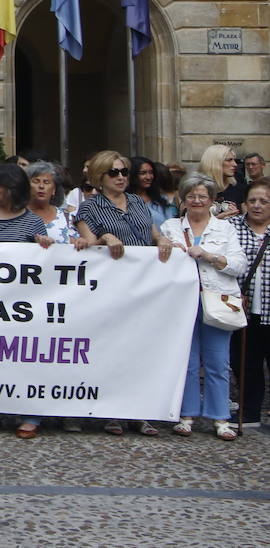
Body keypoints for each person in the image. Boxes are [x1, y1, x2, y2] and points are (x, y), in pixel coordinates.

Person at [73, 150, 172, 436]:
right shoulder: (90, 207)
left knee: (141, 350)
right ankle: (113, 411)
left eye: (124, 172)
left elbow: (151, 232)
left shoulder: (138, 203)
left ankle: (140, 412)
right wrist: (105, 237)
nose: (120, 177)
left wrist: (163, 238)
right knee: (115, 349)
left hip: (143, 286)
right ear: (100, 177)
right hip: (112, 288)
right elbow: (88, 240)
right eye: (113, 173)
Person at [0, 163, 53, 439]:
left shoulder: (32, 222)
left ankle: (30, 415)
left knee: (23, 357)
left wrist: (46, 247)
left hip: (21, 305)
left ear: (12, 190)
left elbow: (43, 264)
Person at [160, 173, 246, 440]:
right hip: (181, 301)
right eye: (191, 196)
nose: (196, 200)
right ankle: (185, 415)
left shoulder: (225, 229)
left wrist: (209, 256)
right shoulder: (170, 227)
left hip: (216, 299)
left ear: (211, 200)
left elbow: (238, 265)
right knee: (185, 361)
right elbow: (158, 263)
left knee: (218, 361)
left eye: (202, 196)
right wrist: (164, 247)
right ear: (183, 200)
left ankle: (220, 418)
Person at [231, 179, 270, 428]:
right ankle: (250, 411)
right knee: (245, 361)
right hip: (241, 306)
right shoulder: (232, 227)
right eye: (253, 201)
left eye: (263, 201)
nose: (257, 206)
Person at [25, 161, 73, 245]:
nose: (41, 186)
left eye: (46, 182)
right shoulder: (17, 216)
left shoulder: (67, 218)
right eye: (36, 181)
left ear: (54, 190)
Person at [198, 144, 244, 216]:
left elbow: (248, 220)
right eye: (229, 160)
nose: (235, 164)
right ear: (215, 163)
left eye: (234, 160)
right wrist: (217, 220)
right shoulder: (196, 189)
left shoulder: (239, 187)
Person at [131, 157, 177, 225]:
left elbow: (171, 225)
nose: (148, 177)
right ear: (133, 175)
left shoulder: (161, 200)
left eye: (151, 172)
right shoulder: (125, 201)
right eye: (143, 173)